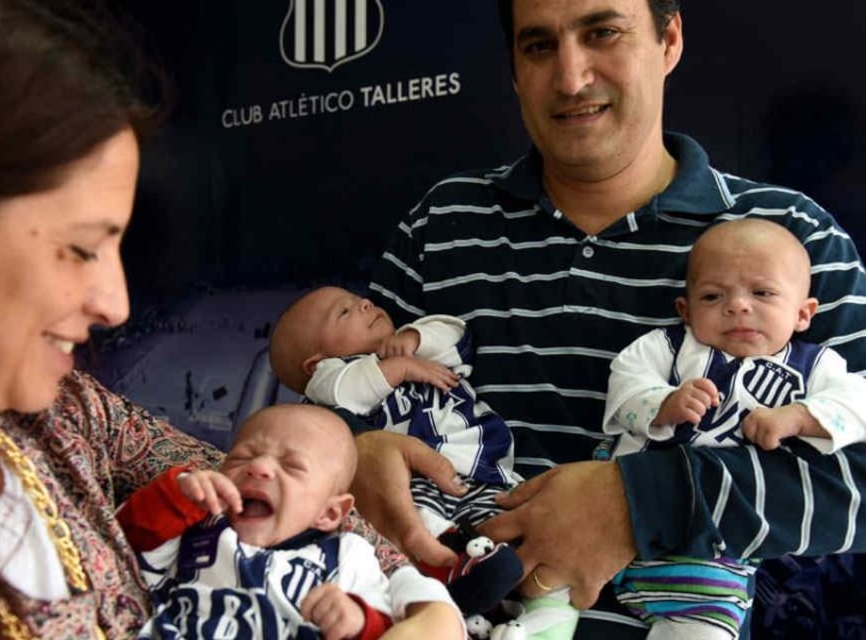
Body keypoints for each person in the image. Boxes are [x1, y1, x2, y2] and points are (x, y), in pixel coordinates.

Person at [0, 2, 461, 639]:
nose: (115, 305)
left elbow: (291, 493)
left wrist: (423, 608)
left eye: (120, 248)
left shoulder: (65, 412)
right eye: (81, 247)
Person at [354, 0, 866, 637]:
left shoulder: (792, 238)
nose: (571, 78)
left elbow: (857, 483)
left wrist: (637, 501)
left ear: (668, 39)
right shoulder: (442, 225)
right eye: (539, 46)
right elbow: (331, 406)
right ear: (513, 68)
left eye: (602, 32)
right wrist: (352, 453)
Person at [602, 218, 866, 639]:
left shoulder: (815, 367)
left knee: (703, 626)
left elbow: (859, 403)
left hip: (705, 551)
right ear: (685, 310)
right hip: (605, 510)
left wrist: (800, 416)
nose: (738, 305)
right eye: (712, 296)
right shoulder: (668, 347)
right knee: (545, 579)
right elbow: (626, 378)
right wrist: (662, 403)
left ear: (803, 313)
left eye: (762, 293)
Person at [269, 286, 576, 634]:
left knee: (531, 538)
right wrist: (398, 368)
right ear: (316, 363)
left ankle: (543, 618)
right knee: (424, 525)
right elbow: (338, 391)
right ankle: (453, 576)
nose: (365, 303)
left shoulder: (414, 344)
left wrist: (414, 338)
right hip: (414, 481)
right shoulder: (332, 381)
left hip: (486, 473)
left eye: (360, 301)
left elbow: (456, 335)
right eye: (344, 312)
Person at [117, 403, 462, 639]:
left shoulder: (349, 557)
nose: (258, 467)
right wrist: (177, 494)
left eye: (292, 466)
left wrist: (359, 621)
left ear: (330, 513)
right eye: (241, 457)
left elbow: (393, 626)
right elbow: (123, 540)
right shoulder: (195, 527)